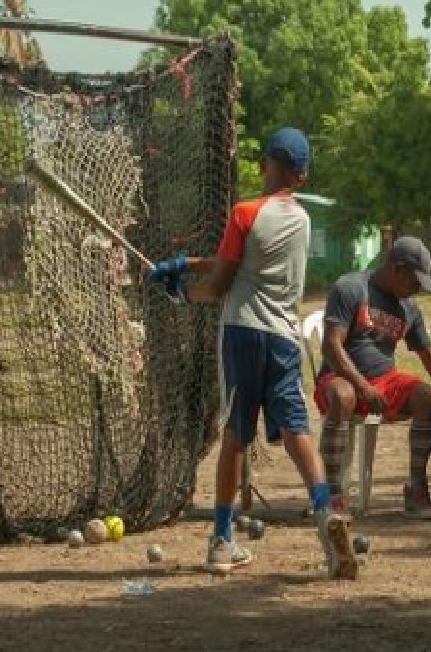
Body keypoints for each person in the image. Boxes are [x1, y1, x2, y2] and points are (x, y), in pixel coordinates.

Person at [147, 127, 355, 578]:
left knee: (237, 433)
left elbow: (220, 283)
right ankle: (325, 509)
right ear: (301, 175)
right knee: (297, 430)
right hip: (284, 337)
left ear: (266, 166)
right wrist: (187, 264)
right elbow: (243, 263)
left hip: (242, 332)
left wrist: (181, 293)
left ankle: (222, 540)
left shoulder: (244, 213)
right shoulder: (302, 220)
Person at [315, 236, 431, 520]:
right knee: (343, 395)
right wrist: (362, 386)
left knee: (424, 395)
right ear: (397, 268)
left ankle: (416, 489)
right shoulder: (350, 288)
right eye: (415, 281)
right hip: (339, 379)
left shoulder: (409, 308)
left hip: (383, 382)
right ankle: (331, 495)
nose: (417, 289)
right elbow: (331, 347)